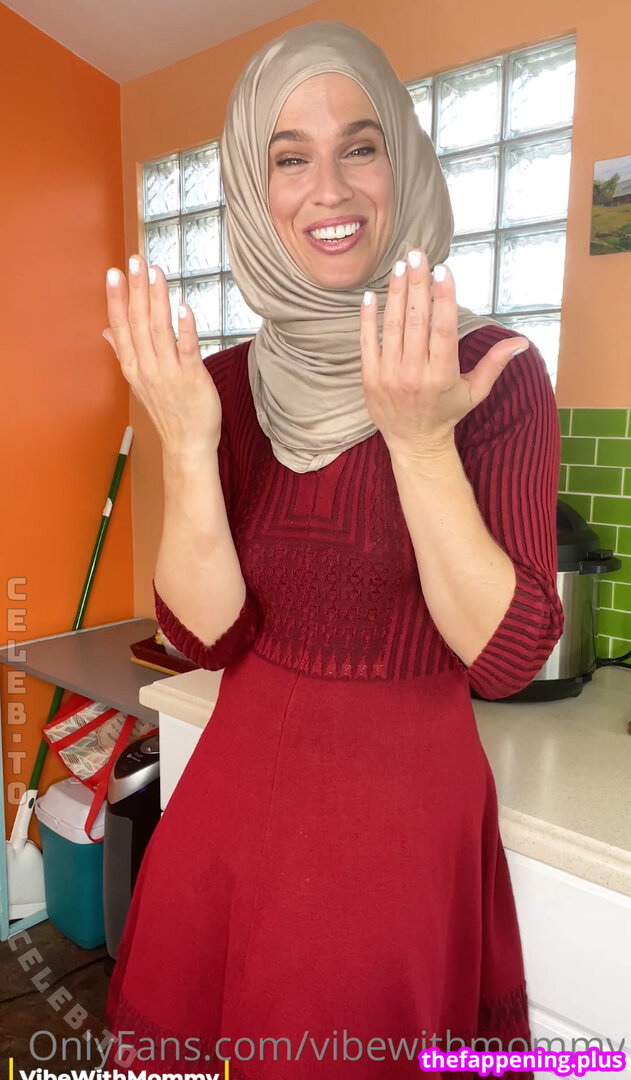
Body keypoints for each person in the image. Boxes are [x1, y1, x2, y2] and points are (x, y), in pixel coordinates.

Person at [102, 21, 563, 1079]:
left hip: (394, 839)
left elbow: (504, 659)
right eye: (289, 157)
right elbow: (205, 637)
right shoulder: (221, 387)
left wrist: (419, 441)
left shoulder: (489, 372)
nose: (330, 189)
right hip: (229, 815)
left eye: (360, 145)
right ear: (251, 188)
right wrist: (186, 443)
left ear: (402, 159)